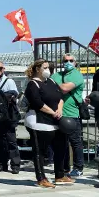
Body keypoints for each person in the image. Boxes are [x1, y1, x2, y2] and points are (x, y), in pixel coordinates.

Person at [24, 59, 74, 188]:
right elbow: (37, 103)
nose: (48, 70)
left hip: (55, 121)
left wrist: (59, 109)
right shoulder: (32, 84)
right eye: (45, 68)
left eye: (48, 68)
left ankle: (60, 174)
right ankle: (41, 178)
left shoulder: (51, 81)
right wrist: (52, 112)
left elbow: (61, 97)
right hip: (39, 121)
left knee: (61, 147)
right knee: (40, 151)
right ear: (37, 69)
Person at [51, 53, 85, 177]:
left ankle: (78, 167)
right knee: (60, 143)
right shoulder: (57, 75)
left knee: (75, 142)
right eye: (66, 60)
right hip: (57, 114)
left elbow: (65, 88)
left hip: (72, 114)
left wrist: (54, 85)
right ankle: (64, 167)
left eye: (71, 60)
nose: (68, 62)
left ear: (75, 63)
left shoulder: (77, 75)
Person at [0, 60, 21, 174]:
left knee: (11, 140)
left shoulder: (9, 81)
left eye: (0, 68)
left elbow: (15, 97)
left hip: (8, 115)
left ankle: (15, 164)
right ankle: (1, 163)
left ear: (4, 69)